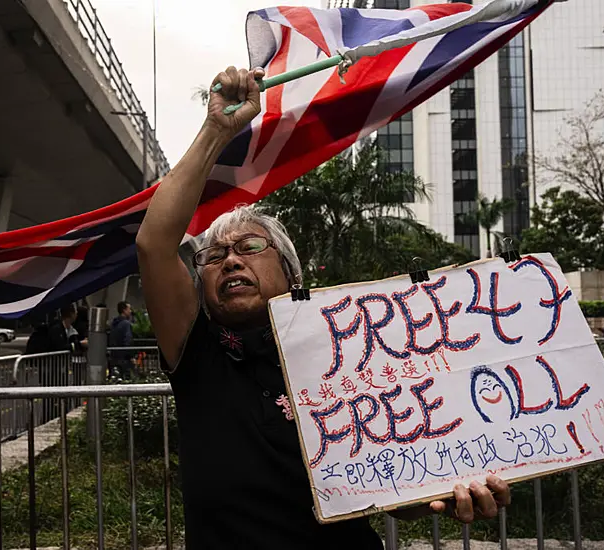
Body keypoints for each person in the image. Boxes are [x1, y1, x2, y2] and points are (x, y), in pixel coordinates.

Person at [136, 66, 511, 549]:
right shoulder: (198, 358)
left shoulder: (354, 356)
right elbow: (154, 245)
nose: (229, 259)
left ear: (294, 277)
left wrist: (449, 491)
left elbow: (395, 476)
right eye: (213, 256)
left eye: (249, 247)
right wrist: (217, 130)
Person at [109, 301, 134, 379]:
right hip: (124, 357)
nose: (130, 311)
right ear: (124, 310)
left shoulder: (113, 323)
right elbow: (128, 340)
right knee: (126, 378)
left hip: (114, 356)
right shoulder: (126, 324)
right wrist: (130, 356)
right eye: (129, 309)